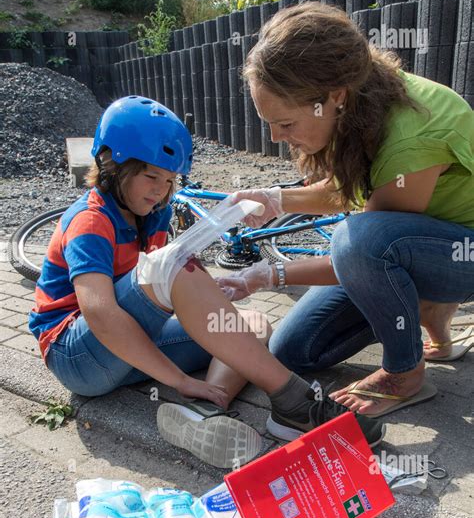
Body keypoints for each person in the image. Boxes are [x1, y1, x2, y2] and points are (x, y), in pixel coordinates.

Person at [28, 95, 385, 468]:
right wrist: (179, 378)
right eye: (151, 176)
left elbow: (162, 291)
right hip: (77, 356)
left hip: (129, 350)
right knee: (174, 265)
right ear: (109, 163)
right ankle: (295, 401)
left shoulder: (153, 214)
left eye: (169, 180)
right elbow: (100, 315)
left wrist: (206, 296)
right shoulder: (90, 220)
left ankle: (204, 413)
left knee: (253, 324)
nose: (161, 191)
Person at [218, 1, 474, 419]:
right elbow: (354, 190)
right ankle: (430, 312)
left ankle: (405, 372)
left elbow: (365, 253)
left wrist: (265, 275)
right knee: (295, 348)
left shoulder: (412, 137)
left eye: (285, 123)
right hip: (421, 242)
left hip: (462, 253)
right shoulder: (358, 100)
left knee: (356, 241)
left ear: (333, 97)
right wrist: (275, 199)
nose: (275, 136)